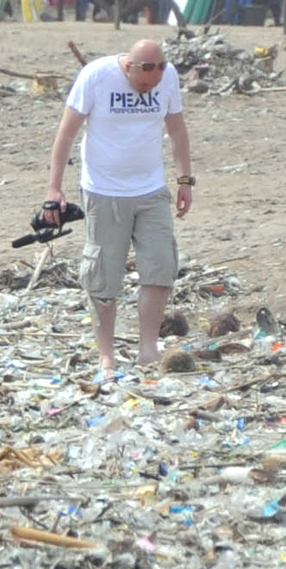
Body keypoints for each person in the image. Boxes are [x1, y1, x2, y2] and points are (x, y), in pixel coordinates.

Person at [44, 36, 194, 378]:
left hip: (151, 189)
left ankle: (147, 348)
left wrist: (185, 180)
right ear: (128, 67)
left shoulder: (166, 78)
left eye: (153, 83)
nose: (147, 89)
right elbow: (66, 133)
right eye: (142, 82)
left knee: (160, 267)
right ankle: (107, 356)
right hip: (103, 190)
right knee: (103, 275)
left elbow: (176, 129)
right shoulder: (95, 76)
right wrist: (54, 188)